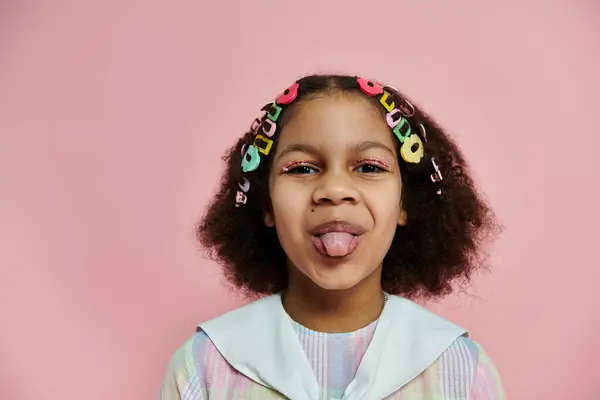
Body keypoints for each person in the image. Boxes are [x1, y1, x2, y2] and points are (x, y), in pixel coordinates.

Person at [158, 74, 505, 399]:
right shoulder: (203, 367)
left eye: (369, 167)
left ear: (405, 202)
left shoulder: (462, 372)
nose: (335, 190)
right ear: (266, 203)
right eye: (302, 168)